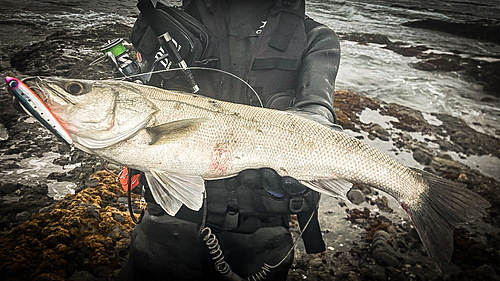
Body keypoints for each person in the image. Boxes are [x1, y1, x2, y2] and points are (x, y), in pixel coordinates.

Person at [117, 0, 340, 280]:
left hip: (263, 233)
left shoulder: (317, 38)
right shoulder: (166, 26)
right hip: (167, 225)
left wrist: (308, 154)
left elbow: (317, 110)